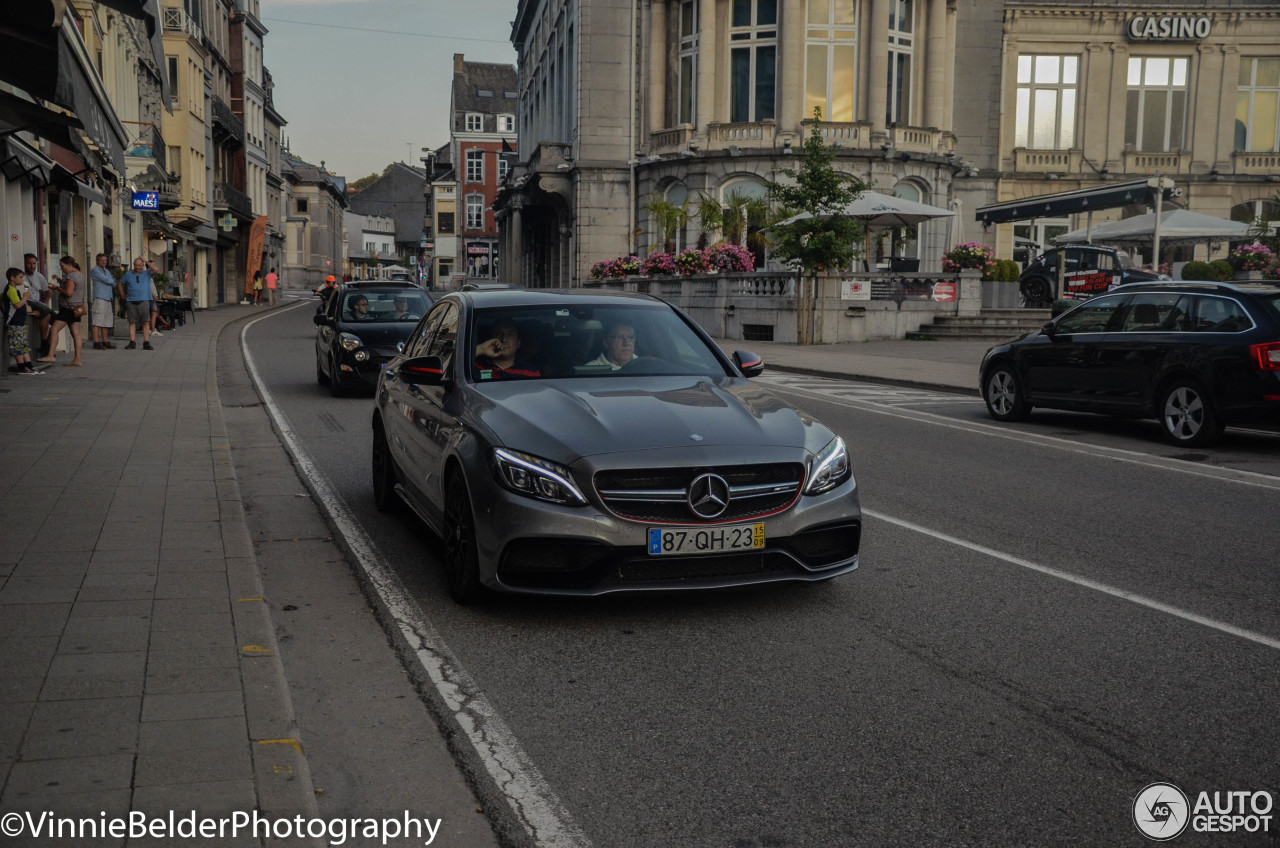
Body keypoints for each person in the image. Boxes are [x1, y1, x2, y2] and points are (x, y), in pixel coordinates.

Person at [38, 256, 85, 366]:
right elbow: (73, 287)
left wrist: (56, 288)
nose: (61, 268)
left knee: (54, 329)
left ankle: (50, 355)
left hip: (67, 309)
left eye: (62, 266)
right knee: (76, 334)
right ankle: (77, 359)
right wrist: (60, 280)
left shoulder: (71, 276)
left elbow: (68, 292)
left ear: (69, 265)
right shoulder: (79, 274)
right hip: (77, 308)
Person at [473, 318, 540, 379]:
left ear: (518, 343)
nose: (504, 339)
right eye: (499, 334)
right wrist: (481, 349)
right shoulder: (476, 367)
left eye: (510, 335)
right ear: (491, 339)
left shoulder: (530, 372)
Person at [4, 267, 40, 374]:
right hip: (14, 322)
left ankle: (29, 365)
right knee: (17, 345)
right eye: (20, 277)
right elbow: (17, 305)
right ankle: (21, 367)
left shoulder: (14, 289)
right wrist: (24, 298)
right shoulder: (10, 289)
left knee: (23, 344)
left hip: (20, 321)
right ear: (12, 278)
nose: (22, 280)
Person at [116, 257, 155, 350]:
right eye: (135, 265)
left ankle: (146, 342)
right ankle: (132, 341)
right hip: (131, 301)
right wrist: (123, 295)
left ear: (142, 265)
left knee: (145, 321)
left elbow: (155, 269)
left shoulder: (147, 273)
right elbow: (120, 284)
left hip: (144, 300)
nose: (137, 267)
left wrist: (146, 261)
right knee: (132, 322)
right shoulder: (128, 274)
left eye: (139, 265)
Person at [24, 253, 51, 356]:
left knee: (57, 319)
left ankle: (50, 346)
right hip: (28, 301)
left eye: (34, 264)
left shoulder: (39, 276)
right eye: (29, 264)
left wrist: (44, 303)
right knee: (46, 314)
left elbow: (48, 291)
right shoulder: (21, 275)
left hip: (38, 302)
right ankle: (44, 343)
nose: (32, 266)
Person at [89, 253, 117, 350]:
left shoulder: (107, 271)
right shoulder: (95, 270)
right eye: (101, 260)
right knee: (97, 320)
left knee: (107, 321)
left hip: (108, 297)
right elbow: (108, 281)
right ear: (97, 261)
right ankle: (96, 342)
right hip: (100, 297)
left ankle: (105, 341)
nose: (104, 261)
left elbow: (114, 283)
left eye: (105, 260)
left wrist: (111, 281)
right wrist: (110, 280)